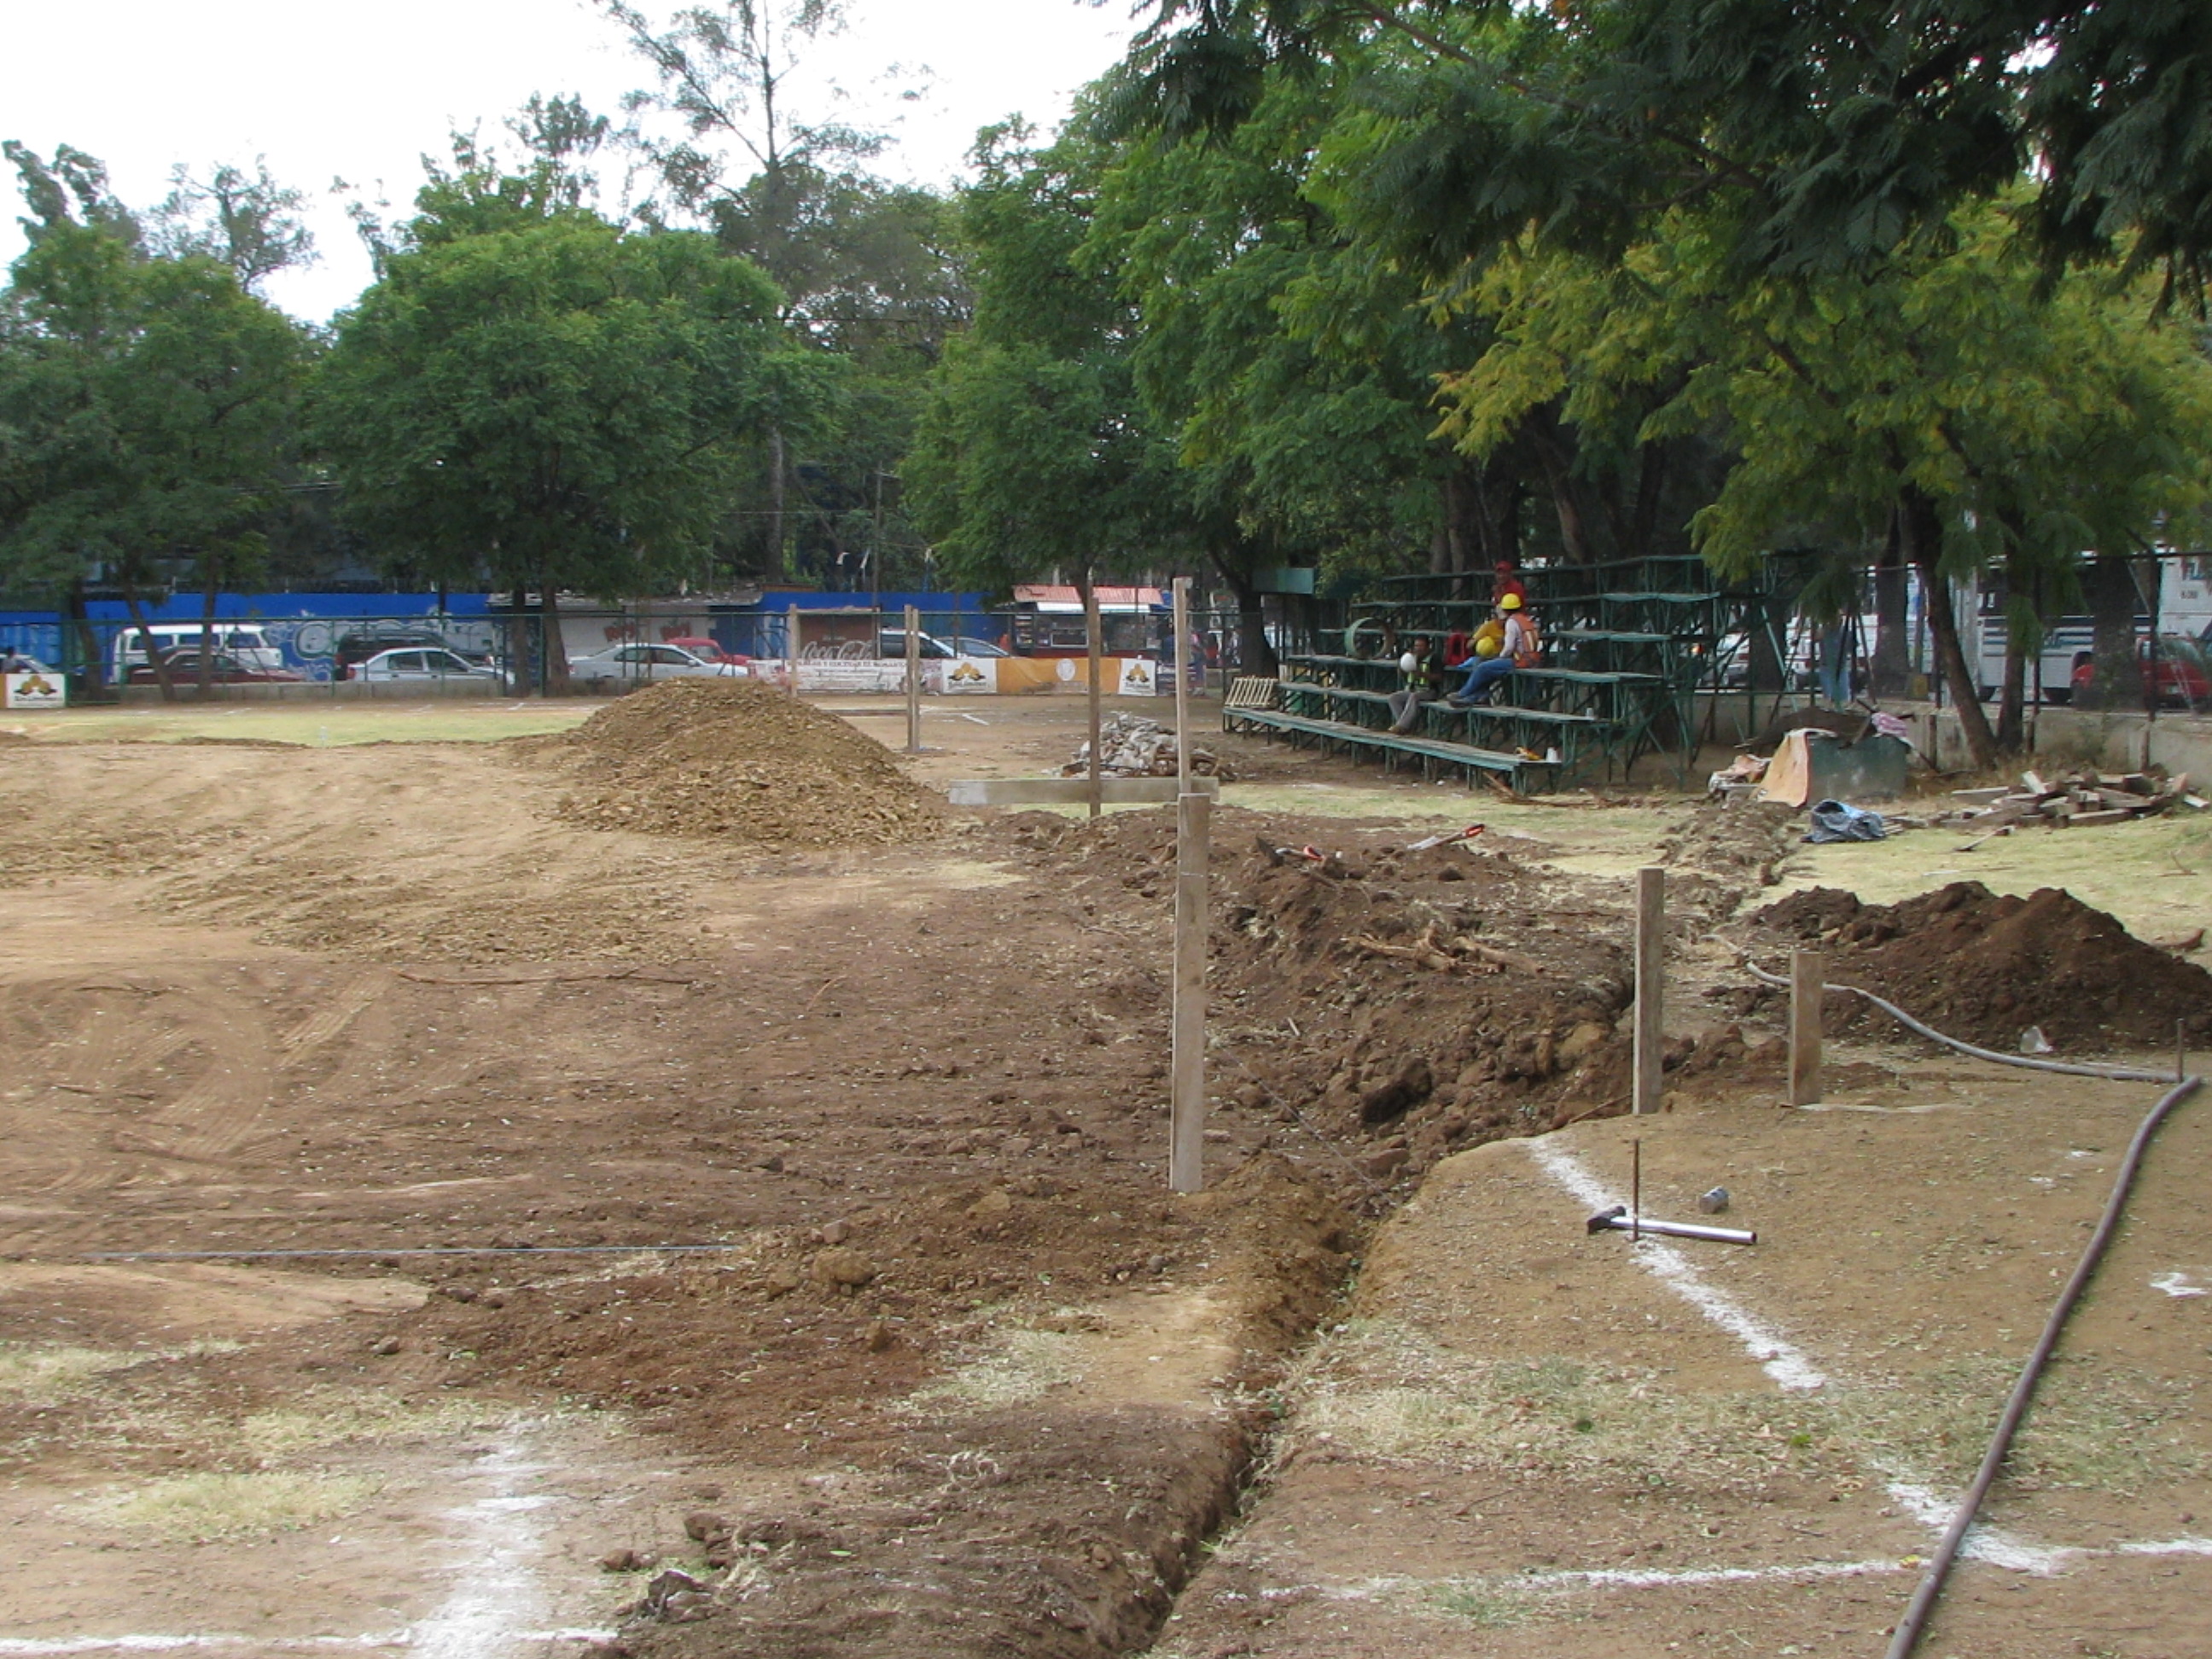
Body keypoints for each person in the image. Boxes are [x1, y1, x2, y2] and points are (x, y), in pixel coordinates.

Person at [1448, 593, 1540, 706]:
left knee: (1483, 668)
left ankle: (1464, 693)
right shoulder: (1527, 620)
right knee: (1489, 669)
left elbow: (1509, 647)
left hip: (1520, 660)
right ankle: (1473, 698)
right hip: (1532, 660)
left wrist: (1500, 657)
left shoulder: (1512, 622)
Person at [1387, 635, 1447, 732]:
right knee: (1394, 698)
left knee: (1414, 697)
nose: (1418, 649)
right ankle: (1402, 724)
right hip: (1413, 689)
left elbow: (1439, 678)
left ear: (1428, 647)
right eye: (1416, 646)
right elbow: (1405, 675)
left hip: (1430, 691)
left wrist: (1423, 675)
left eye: (1421, 646)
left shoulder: (1434, 658)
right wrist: (1402, 668)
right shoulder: (1413, 658)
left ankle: (1402, 726)